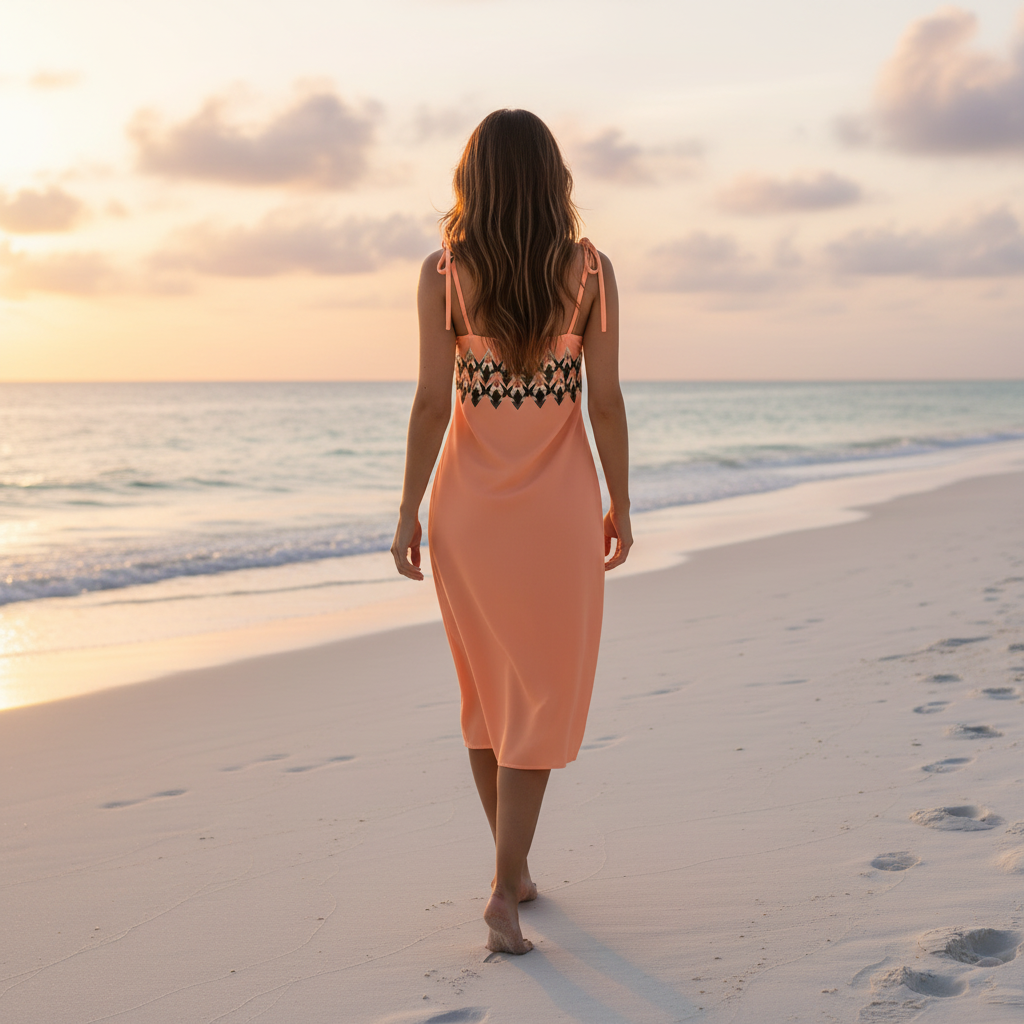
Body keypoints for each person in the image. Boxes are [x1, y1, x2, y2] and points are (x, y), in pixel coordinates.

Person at [391, 109, 631, 955]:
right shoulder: (590, 272)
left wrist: (408, 511)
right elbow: (603, 403)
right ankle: (503, 886)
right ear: (552, 180)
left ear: (475, 181)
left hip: (466, 515)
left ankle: (513, 872)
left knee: (488, 693)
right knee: (537, 693)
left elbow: (429, 405)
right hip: (557, 515)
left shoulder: (444, 274)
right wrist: (622, 504)